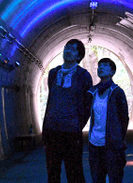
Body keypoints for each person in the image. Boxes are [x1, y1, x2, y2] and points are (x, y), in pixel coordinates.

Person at [42, 39, 93, 183]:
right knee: (52, 171)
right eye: (67, 47)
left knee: (74, 172)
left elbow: (87, 104)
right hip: (52, 130)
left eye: (73, 49)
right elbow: (51, 99)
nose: (68, 51)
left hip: (71, 132)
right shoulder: (53, 73)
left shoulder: (83, 76)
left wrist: (77, 124)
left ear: (79, 56)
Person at [87, 58, 129, 183]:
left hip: (112, 145)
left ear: (112, 71)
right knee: (97, 178)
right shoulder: (92, 91)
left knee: (115, 177)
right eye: (99, 65)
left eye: (105, 65)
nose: (101, 68)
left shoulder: (117, 92)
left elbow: (124, 118)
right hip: (94, 143)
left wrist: (119, 139)